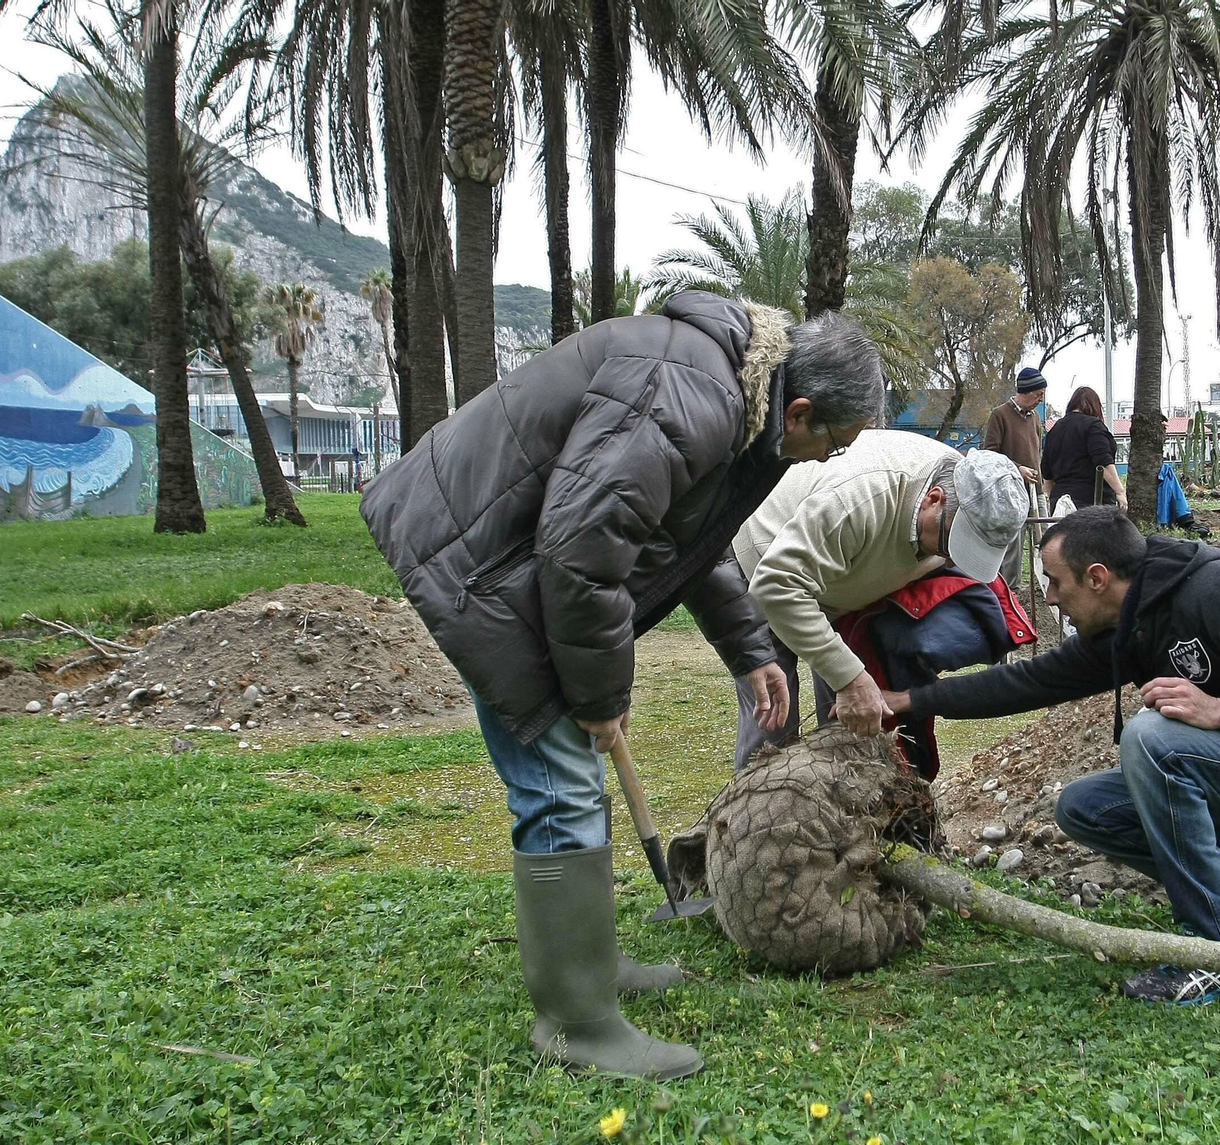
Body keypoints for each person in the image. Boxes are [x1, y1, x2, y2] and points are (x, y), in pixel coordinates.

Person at [362, 290, 886, 1079]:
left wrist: (750, 648)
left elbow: (693, 539)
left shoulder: (737, 403)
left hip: (515, 559)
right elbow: (579, 547)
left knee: (568, 779)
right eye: (833, 442)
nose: (826, 459)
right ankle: (577, 1023)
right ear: (802, 408)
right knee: (561, 782)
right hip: (483, 562)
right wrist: (601, 697)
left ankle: (591, 965)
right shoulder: (691, 393)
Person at [885, 507, 1220, 1005]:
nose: (1051, 597)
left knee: (1152, 736)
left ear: (1097, 577)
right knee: (1085, 808)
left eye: (1055, 582)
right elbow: (1029, 682)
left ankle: (1218, 949)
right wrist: (909, 700)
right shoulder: (1130, 625)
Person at [729, 432, 1029, 769]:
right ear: (934, 499)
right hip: (766, 567)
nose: (949, 560)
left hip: (843, 581)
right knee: (773, 722)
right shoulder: (861, 497)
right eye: (951, 543)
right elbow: (777, 585)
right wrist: (850, 678)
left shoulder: (966, 497)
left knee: (856, 720)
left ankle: (838, 810)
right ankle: (761, 812)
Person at [982, 366, 1047, 588]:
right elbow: (989, 454)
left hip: (1035, 488)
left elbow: (1037, 453)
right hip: (1010, 490)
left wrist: (1041, 485)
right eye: (1038, 394)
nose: (1041, 399)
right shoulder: (1000, 415)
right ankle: (1010, 589)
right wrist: (1017, 468)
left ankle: (1047, 585)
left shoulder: (1035, 418)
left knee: (1045, 537)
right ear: (1026, 391)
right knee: (1014, 543)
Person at [1042, 386, 1126, 513]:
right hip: (1091, 503)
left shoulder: (1055, 430)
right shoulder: (1093, 426)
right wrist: (1120, 492)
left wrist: (1050, 500)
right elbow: (1103, 462)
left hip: (1059, 501)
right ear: (1095, 406)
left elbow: (1047, 474)